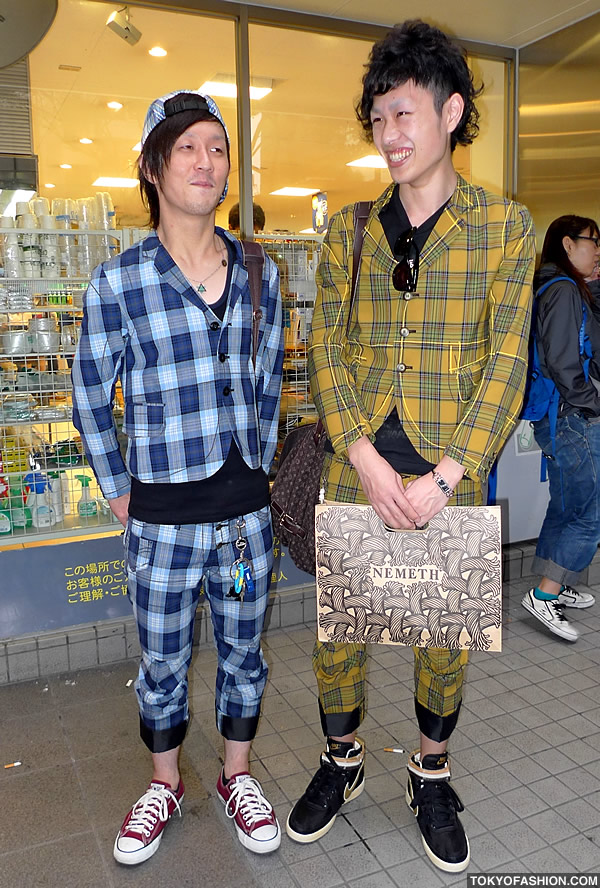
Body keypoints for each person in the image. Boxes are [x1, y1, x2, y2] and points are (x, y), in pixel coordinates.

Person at [286, 20, 536, 874]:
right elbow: (326, 348)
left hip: (446, 472)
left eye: (404, 114)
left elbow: (507, 360)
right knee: (340, 638)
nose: (389, 135)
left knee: (441, 641)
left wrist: (448, 474)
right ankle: (342, 763)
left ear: (451, 110)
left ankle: (431, 773)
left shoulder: (505, 229)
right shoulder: (348, 231)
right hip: (358, 471)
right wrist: (358, 453)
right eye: (378, 118)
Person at [71, 89, 284, 865]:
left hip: (243, 520)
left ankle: (235, 775)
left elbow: (268, 383)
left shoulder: (261, 269)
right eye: (188, 147)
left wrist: (260, 469)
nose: (207, 161)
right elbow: (90, 393)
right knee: (161, 659)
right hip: (159, 520)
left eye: (218, 147)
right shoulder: (118, 282)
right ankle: (164, 783)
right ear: (154, 167)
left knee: (243, 655)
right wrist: (116, 488)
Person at [522, 215, 600, 642]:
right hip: (572, 417)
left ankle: (554, 582)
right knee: (590, 512)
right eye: (593, 241)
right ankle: (545, 596)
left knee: (568, 503)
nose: (598, 249)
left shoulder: (556, 287)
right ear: (568, 245)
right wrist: (595, 404)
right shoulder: (564, 291)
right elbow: (564, 364)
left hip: (558, 416)